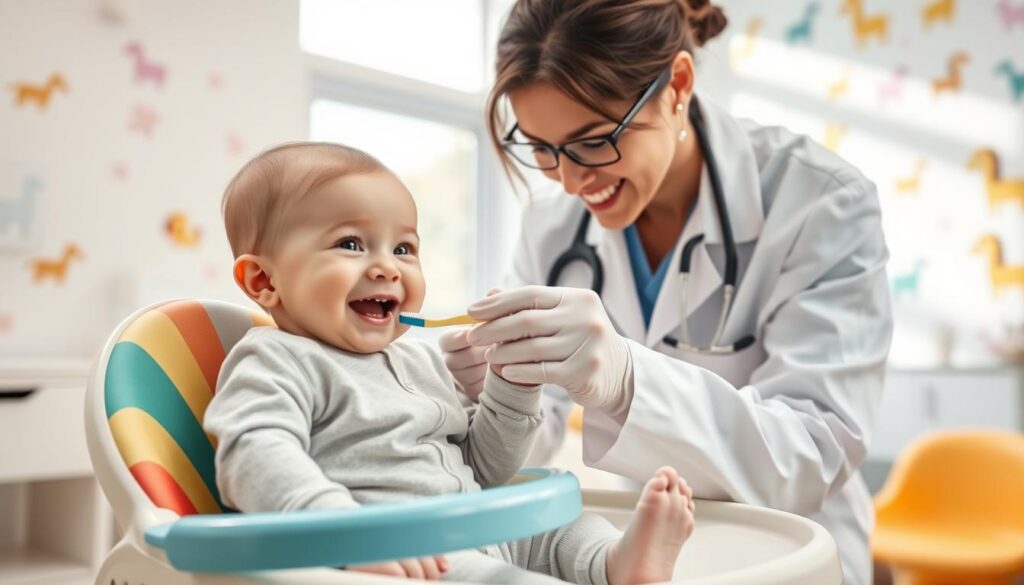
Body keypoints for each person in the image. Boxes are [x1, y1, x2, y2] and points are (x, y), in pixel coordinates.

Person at [439, 1, 893, 583]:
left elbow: (813, 449)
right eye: (544, 151)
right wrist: (495, 398)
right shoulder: (552, 230)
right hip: (651, 549)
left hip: (788, 551)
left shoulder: (819, 200)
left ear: (677, 85)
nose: (573, 181)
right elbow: (533, 434)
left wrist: (628, 381)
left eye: (594, 141)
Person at [205, 142, 696, 584]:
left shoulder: (418, 361)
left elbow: (486, 468)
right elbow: (254, 453)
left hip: (474, 522)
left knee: (563, 527)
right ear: (262, 280)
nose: (386, 266)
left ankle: (615, 563)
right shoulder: (275, 358)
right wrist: (347, 533)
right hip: (407, 554)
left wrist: (509, 381)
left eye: (403, 248)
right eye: (350, 244)